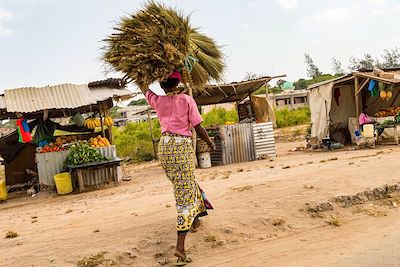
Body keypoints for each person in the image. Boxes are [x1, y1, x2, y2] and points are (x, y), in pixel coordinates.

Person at [144, 71, 215, 265]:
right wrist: (210, 143)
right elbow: (198, 127)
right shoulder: (186, 100)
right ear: (178, 82)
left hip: (165, 148)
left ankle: (196, 219)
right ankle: (180, 248)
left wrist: (141, 75)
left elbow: (144, 89)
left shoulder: (157, 101)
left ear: (161, 84)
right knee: (184, 194)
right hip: (181, 147)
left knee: (186, 183)